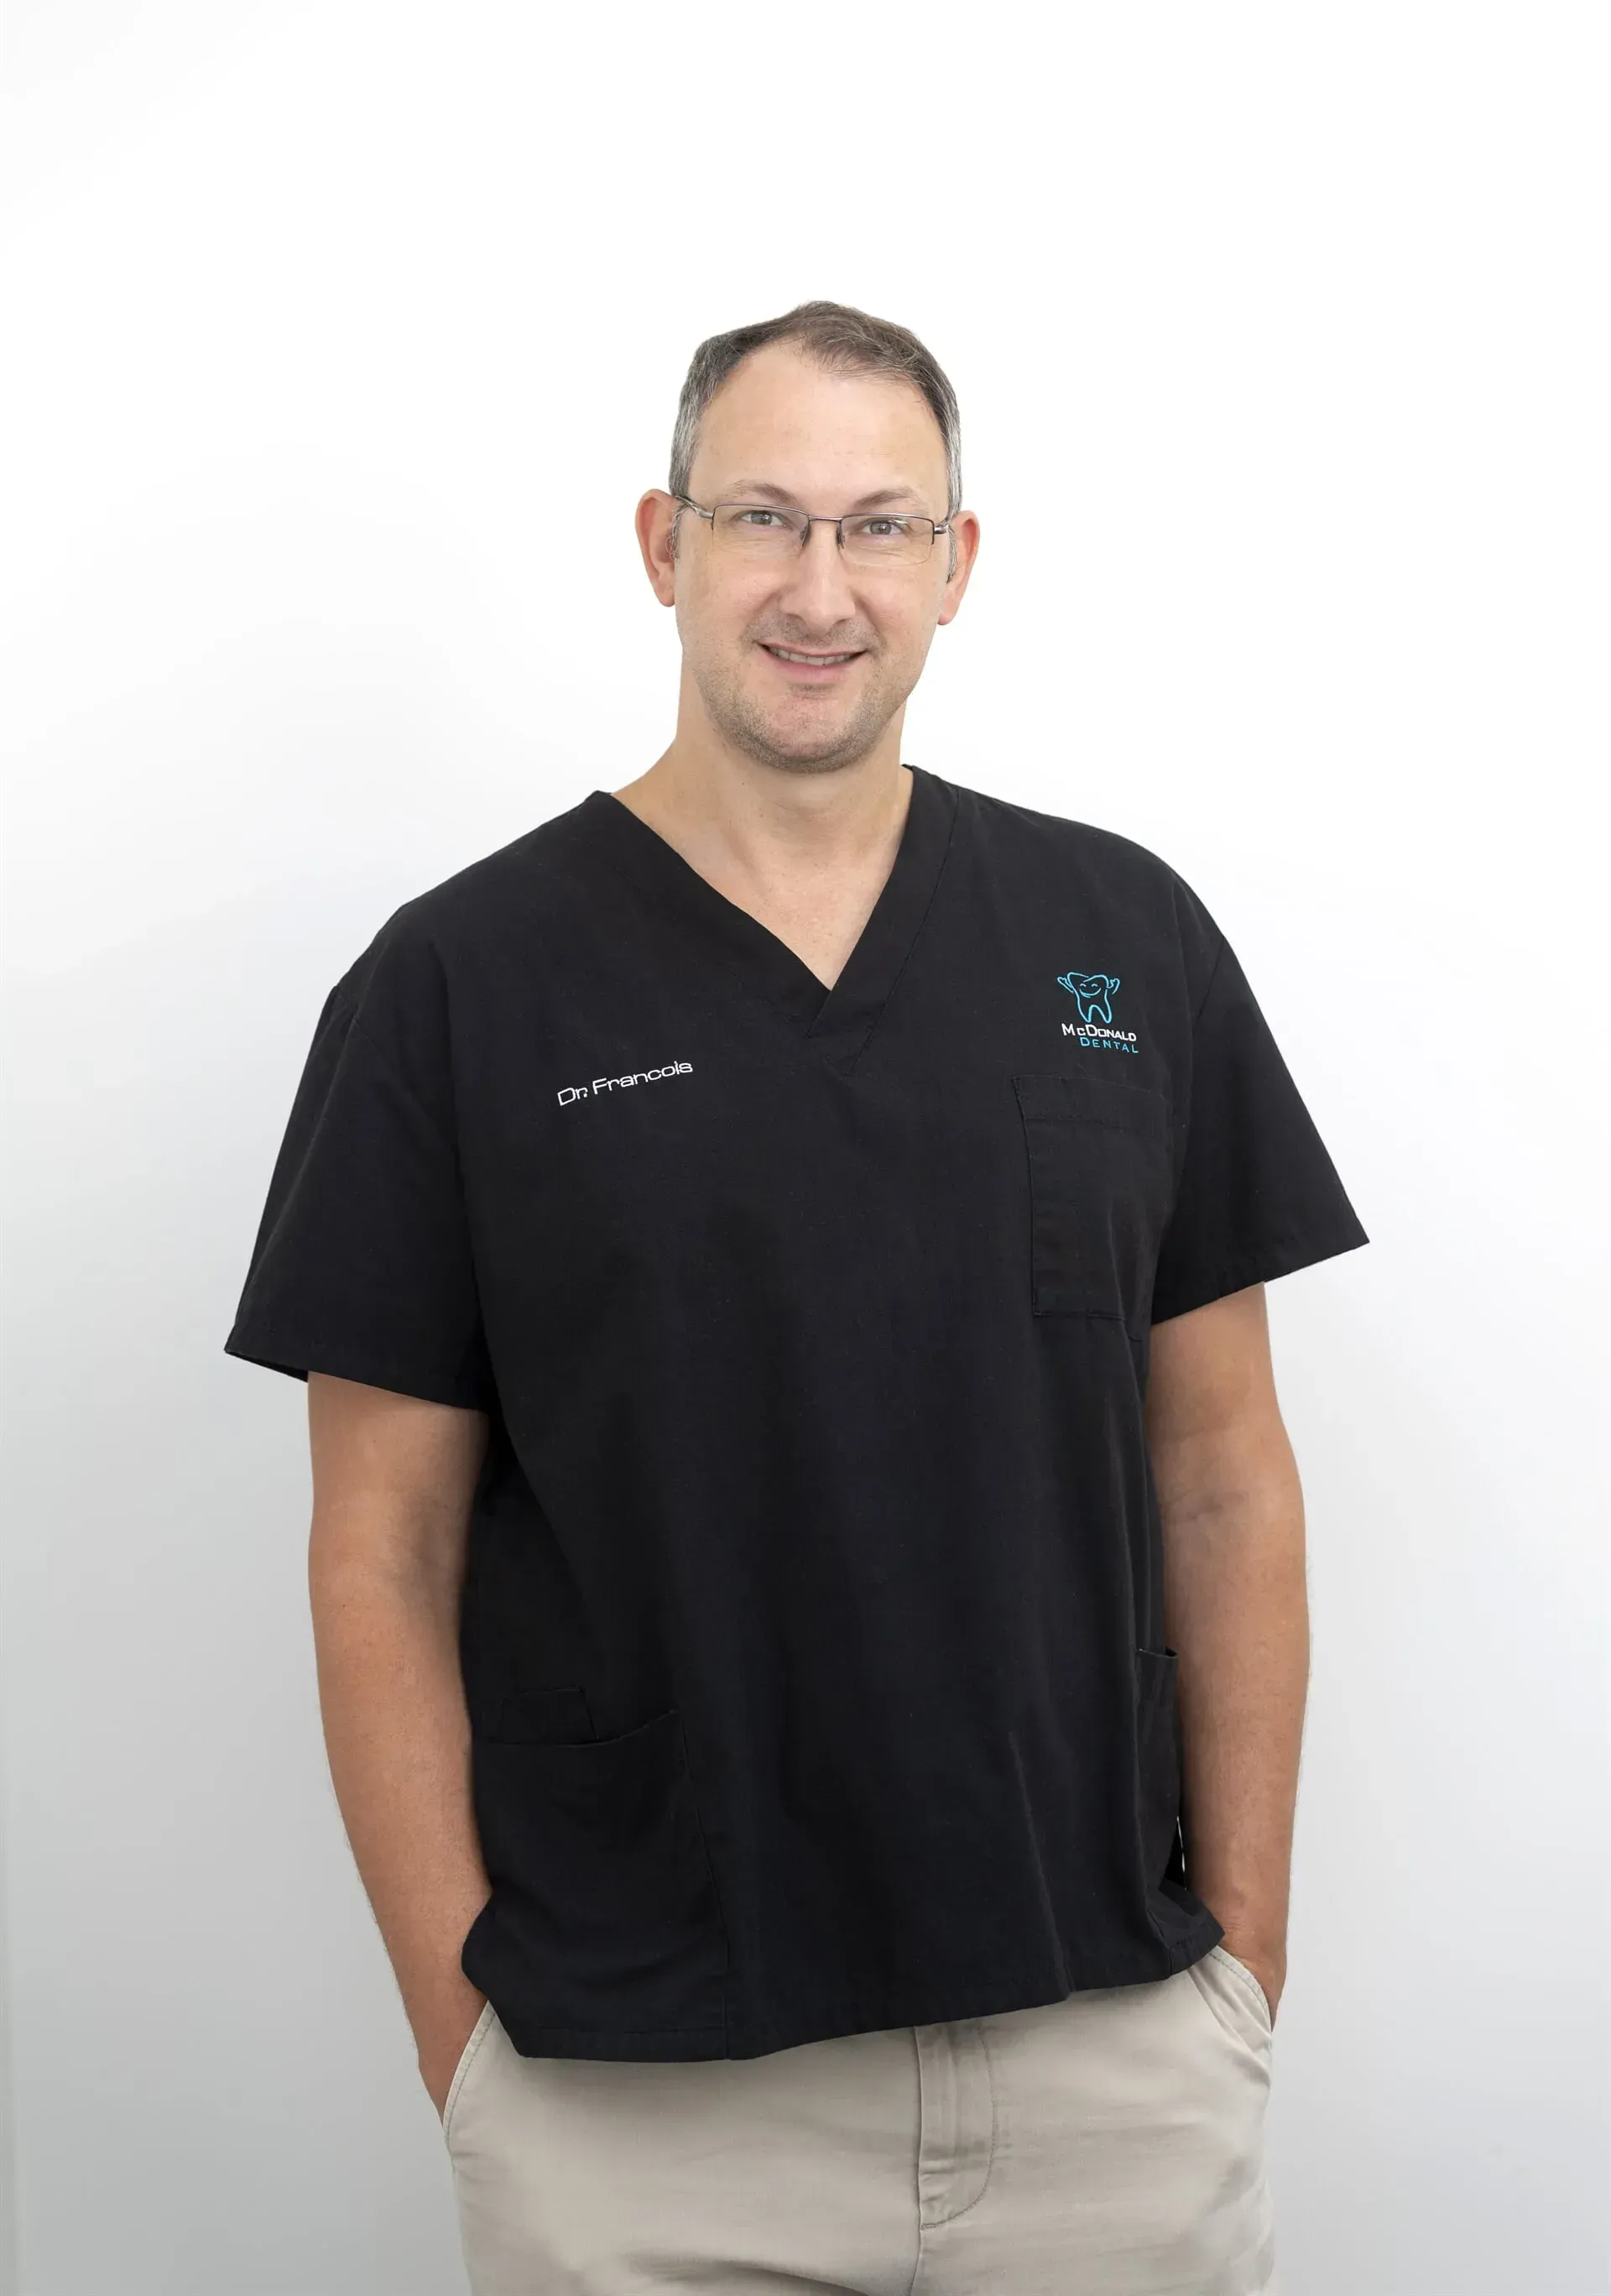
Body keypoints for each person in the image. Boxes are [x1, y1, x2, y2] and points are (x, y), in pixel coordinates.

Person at [224, 300, 1368, 2295]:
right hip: (638, 2105)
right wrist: (469, 2051)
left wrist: (1241, 1968)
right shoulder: (459, 991)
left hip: (1107, 2060)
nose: (818, 588)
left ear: (958, 563)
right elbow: (379, 1549)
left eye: (879, 526)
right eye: (762, 518)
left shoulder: (1125, 940)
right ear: (663, 548)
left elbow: (1222, 1477)